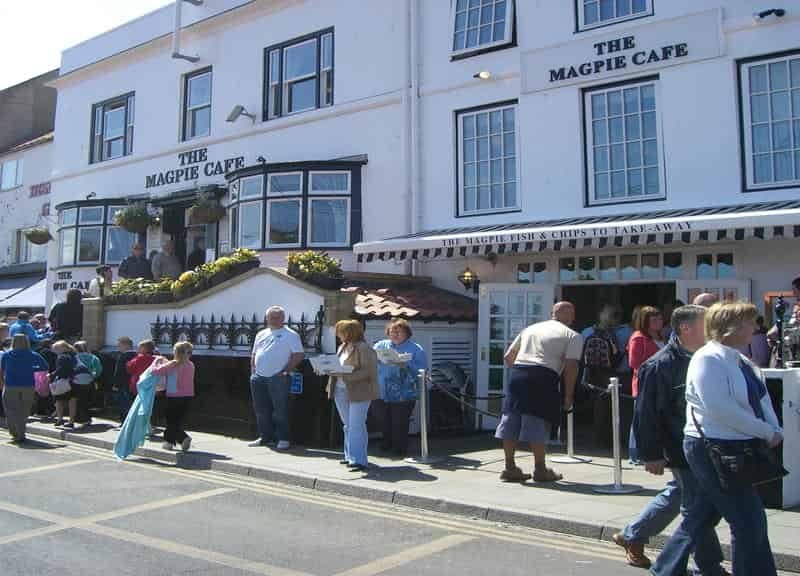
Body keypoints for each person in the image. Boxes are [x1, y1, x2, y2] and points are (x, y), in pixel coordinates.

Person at [658, 302, 783, 576]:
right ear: (732, 328)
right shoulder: (707, 358)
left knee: (703, 514)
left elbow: (760, 400)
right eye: (750, 322)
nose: (755, 327)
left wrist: (774, 428)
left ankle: (664, 570)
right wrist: (766, 431)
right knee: (749, 520)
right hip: (712, 447)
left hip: (736, 445)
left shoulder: (740, 359)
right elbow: (719, 408)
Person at [614, 306, 727, 575]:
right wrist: (651, 453)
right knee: (697, 506)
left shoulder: (708, 357)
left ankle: (635, 534)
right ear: (686, 329)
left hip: (705, 444)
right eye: (706, 323)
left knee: (687, 498)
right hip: (679, 447)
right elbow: (647, 413)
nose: (713, 328)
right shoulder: (659, 365)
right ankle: (707, 567)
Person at [496, 301, 583, 483]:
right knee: (537, 420)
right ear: (570, 315)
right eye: (573, 312)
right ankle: (540, 469)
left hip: (518, 373)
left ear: (553, 313)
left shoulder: (530, 329)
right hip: (543, 376)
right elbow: (571, 366)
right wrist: (568, 396)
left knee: (511, 418)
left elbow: (508, 357)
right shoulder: (572, 335)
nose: (574, 316)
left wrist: (523, 372)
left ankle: (510, 467)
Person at [249, 306, 304, 450]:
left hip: (278, 378)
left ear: (283, 318)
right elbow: (255, 354)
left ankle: (283, 438)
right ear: (266, 318)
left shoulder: (291, 334)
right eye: (271, 317)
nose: (273, 319)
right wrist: (253, 372)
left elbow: (298, 354)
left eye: (277, 317)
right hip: (258, 377)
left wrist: (285, 371)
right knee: (261, 409)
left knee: (280, 410)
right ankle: (265, 437)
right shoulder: (261, 334)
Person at [329, 320, 379, 471]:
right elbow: (336, 367)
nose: (337, 334)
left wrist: (344, 375)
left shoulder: (364, 349)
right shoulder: (341, 347)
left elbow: (368, 372)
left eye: (340, 331)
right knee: (348, 425)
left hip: (360, 390)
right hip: (340, 389)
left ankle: (359, 460)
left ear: (349, 332)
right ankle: (349, 456)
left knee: (356, 425)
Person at [373, 319, 427, 457]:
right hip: (381, 390)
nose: (395, 334)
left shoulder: (415, 348)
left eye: (399, 331)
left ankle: (400, 447)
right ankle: (387, 442)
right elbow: (371, 361)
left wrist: (406, 365)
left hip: (404, 392)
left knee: (400, 421)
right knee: (382, 418)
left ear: (406, 333)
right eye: (392, 331)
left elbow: (423, 370)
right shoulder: (380, 345)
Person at [628, 306, 663, 463]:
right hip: (645, 384)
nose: (659, 322)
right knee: (641, 419)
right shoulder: (638, 337)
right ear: (645, 321)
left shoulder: (661, 337)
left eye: (660, 319)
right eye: (654, 320)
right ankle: (636, 454)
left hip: (662, 385)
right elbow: (634, 363)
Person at [0, 334, 49, 443]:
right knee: (24, 411)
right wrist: (33, 368)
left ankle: (14, 433)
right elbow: (45, 367)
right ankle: (21, 434)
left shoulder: (7, 355)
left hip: (10, 385)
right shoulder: (33, 355)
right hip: (28, 385)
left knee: (10, 410)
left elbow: (2, 370)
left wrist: (2, 383)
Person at [150, 341, 195, 452]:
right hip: (188, 395)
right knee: (176, 420)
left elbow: (154, 371)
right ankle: (170, 442)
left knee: (171, 420)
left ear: (176, 352)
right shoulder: (191, 365)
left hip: (174, 396)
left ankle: (181, 438)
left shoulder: (173, 364)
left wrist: (157, 361)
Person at [581, 305, 621, 390]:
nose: (610, 315)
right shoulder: (587, 332)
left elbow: (616, 357)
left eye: (613, 314)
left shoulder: (615, 334)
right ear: (600, 314)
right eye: (608, 312)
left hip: (607, 376)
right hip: (590, 375)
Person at [49, 340, 88, 428]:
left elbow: (61, 369)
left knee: (59, 400)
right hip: (77, 379)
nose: (55, 350)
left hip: (66, 380)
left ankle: (59, 419)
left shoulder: (62, 356)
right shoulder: (75, 355)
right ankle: (71, 421)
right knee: (72, 400)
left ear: (62, 348)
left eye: (56, 348)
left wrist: (51, 375)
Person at [74, 341, 102, 425]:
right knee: (86, 400)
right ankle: (86, 418)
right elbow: (98, 369)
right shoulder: (93, 357)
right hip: (89, 381)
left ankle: (79, 418)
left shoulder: (75, 357)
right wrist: (93, 377)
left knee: (76, 400)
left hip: (76, 380)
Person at [112, 337, 137, 422]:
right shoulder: (137, 355)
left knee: (124, 404)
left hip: (124, 384)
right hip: (134, 383)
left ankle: (124, 422)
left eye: (119, 345)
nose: (118, 347)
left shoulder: (123, 356)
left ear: (126, 345)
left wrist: (116, 384)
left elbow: (119, 371)